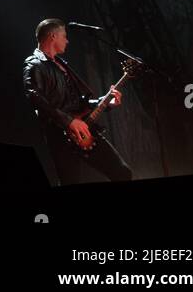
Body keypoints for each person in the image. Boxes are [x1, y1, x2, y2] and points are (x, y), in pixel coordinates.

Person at [23, 18, 133, 184]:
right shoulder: (34, 65)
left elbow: (77, 102)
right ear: (53, 36)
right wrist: (69, 122)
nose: (67, 40)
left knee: (123, 173)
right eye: (64, 36)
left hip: (85, 131)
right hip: (60, 138)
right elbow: (35, 97)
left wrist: (104, 102)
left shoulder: (61, 65)